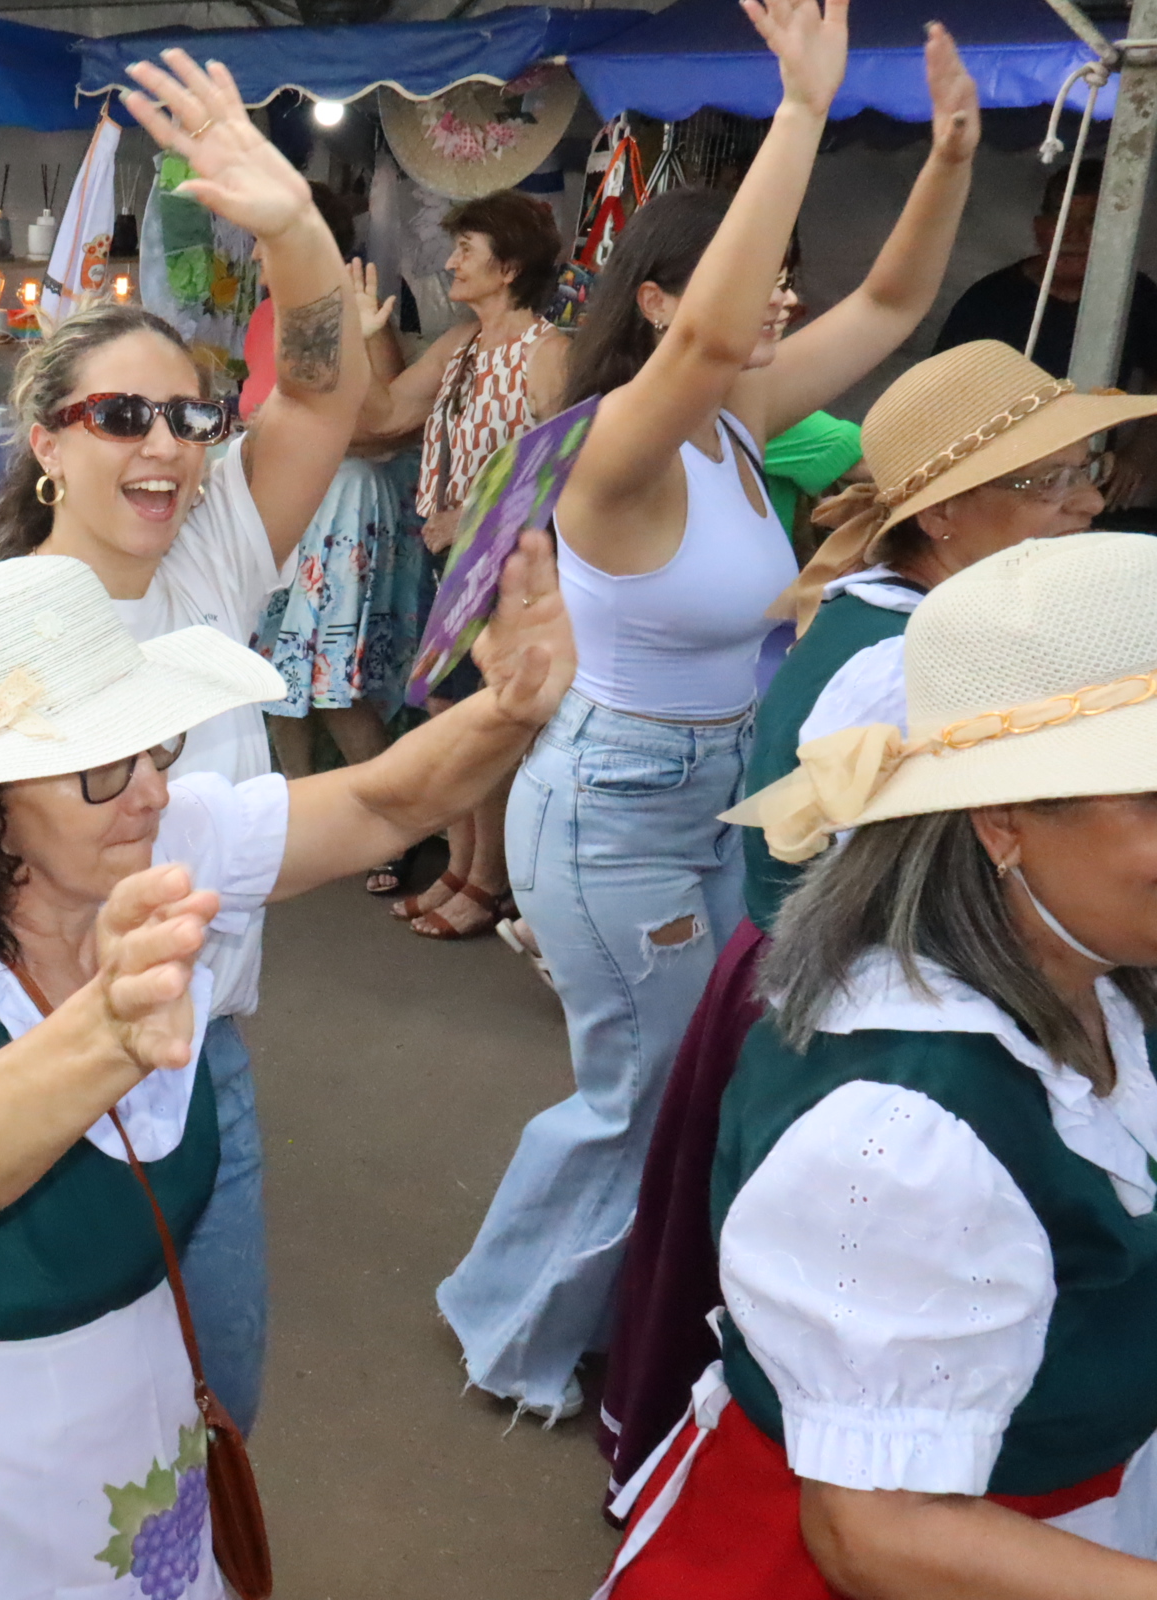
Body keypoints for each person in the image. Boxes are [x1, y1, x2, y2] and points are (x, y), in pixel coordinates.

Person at [0, 531, 575, 1597]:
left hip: (134, 1404)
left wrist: (512, 710)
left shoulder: (141, 845)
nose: (153, 791)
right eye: (104, 763)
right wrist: (102, 1035)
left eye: (155, 747)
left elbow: (379, 805)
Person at [0, 48, 389, 1436]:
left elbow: (323, 398)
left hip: (200, 1057)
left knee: (215, 1403)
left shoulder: (210, 562)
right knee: (51, 1423)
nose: (168, 445)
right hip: (14, 1058)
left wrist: (294, 228)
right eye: (120, 416)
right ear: (44, 444)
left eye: (189, 416)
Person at [436, 2, 981, 1425]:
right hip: (611, 806)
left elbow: (890, 311)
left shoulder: (739, 424)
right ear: (665, 301)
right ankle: (517, 1336)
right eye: (756, 284)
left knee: (658, 1080)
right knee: (642, 1085)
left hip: (695, 797)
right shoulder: (626, 441)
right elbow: (734, 327)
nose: (785, 304)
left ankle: (549, 1299)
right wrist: (798, 115)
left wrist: (950, 161)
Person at [597, 335, 1146, 1501]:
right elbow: (900, 891)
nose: (1087, 497)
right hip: (843, 966)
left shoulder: (925, 627)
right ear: (944, 516)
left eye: (1088, 466)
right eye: (1047, 479)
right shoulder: (914, 664)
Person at [352, 187, 569, 939]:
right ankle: (464, 864)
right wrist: (371, 335)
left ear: (508, 267)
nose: (449, 263)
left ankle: (489, 879)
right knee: (452, 711)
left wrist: (476, 521)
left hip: (510, 575)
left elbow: (571, 473)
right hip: (456, 566)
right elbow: (382, 416)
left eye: (465, 251)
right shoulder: (461, 344)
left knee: (484, 718)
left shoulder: (549, 354)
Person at [252, 185, 433, 878]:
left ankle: (397, 826)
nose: (262, 259)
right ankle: (292, 814)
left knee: (335, 684)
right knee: (273, 672)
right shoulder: (265, 316)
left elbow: (388, 424)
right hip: (279, 507)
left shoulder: (359, 311)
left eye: (271, 243)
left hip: (342, 511)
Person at [933, 162, 1157, 383]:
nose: (1075, 234)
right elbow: (940, 393)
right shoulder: (988, 302)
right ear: (1040, 228)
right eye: (1062, 219)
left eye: (1093, 221)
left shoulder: (1135, 295)